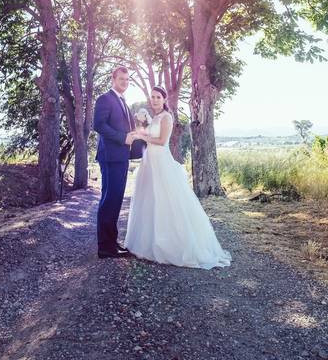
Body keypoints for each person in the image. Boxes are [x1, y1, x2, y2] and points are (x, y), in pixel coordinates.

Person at [124, 85, 232, 269]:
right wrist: (141, 131)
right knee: (150, 199)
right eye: (153, 97)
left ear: (164, 99)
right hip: (149, 162)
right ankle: (149, 242)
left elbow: (161, 141)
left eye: (158, 97)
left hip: (161, 162)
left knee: (167, 200)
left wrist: (140, 137)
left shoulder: (166, 117)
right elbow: (150, 136)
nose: (155, 100)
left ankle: (173, 244)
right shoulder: (155, 118)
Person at [92, 66, 141, 258]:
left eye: (128, 80)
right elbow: (98, 125)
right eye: (122, 79)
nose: (125, 83)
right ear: (113, 79)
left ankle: (111, 243)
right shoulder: (105, 99)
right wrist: (122, 138)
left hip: (120, 158)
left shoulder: (122, 101)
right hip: (110, 158)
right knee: (109, 200)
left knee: (115, 201)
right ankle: (105, 247)